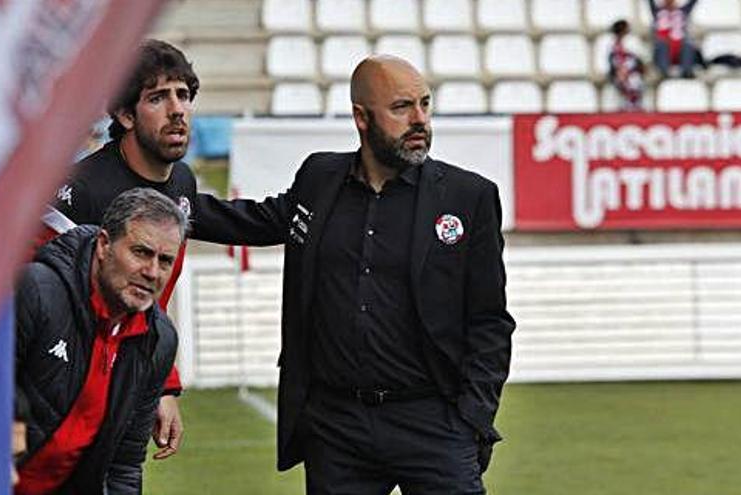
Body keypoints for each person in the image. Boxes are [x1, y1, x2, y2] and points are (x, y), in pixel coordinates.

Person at [190, 55, 516, 494]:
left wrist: (473, 418)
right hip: (337, 429)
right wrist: (170, 204)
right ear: (361, 118)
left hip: (433, 421)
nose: (419, 119)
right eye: (402, 108)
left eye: (425, 104)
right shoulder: (319, 178)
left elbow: (490, 321)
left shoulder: (469, 196)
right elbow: (258, 220)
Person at [50, 39, 200, 459]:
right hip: (65, 398)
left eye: (183, 95)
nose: (177, 110)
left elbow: (153, 302)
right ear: (124, 115)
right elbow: (36, 302)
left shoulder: (183, 184)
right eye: (158, 97)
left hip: (131, 391)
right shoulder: (78, 191)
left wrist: (163, 384)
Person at [14, 188, 184, 494]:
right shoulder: (35, 292)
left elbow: (124, 464)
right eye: (141, 252)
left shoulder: (159, 342)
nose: (152, 272)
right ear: (104, 245)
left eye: (165, 261)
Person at [648, 0, 700, 78]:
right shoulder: (658, 12)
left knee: (688, 46)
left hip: (680, 46)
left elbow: (692, 2)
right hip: (664, 47)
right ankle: (664, 73)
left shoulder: (682, 12)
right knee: (661, 45)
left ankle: (686, 72)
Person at [608, 19, 645, 111]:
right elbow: (612, 61)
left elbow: (638, 60)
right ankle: (626, 107)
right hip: (618, 74)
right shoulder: (611, 44)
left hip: (633, 72)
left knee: (634, 82)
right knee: (621, 84)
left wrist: (627, 70)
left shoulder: (632, 42)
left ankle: (635, 106)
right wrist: (618, 71)